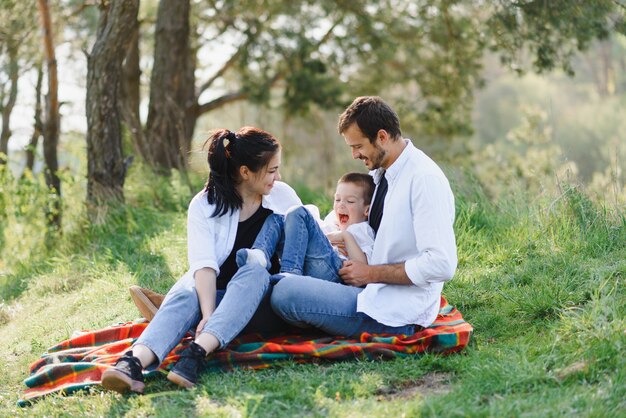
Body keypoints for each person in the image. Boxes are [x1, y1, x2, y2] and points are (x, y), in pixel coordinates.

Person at [101, 127, 303, 394]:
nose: (277, 177)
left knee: (254, 271)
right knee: (187, 290)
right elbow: (204, 266)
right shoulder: (205, 204)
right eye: (272, 170)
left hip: (263, 304)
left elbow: (309, 235)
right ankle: (132, 362)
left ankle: (194, 351)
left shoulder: (282, 195)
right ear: (245, 172)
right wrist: (208, 315)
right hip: (218, 300)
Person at [270, 96, 457, 338]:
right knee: (297, 221)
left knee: (285, 293)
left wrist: (370, 273)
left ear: (382, 137)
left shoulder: (424, 180)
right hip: (365, 286)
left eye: (358, 147)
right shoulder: (385, 173)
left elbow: (441, 264)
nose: (355, 155)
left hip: (391, 309)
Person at [238, 172, 376, 283]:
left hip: (334, 270)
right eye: (337, 199)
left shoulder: (361, 229)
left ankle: (290, 271)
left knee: (299, 212)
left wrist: (346, 236)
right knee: (278, 218)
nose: (341, 205)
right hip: (314, 262)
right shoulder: (333, 219)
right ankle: (260, 253)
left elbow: (362, 266)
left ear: (367, 210)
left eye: (350, 201)